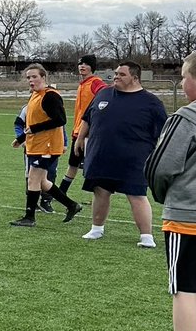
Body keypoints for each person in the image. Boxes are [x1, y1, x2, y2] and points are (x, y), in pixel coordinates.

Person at [145, 50, 196, 331]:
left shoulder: (188, 116)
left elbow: (160, 167)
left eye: (184, 76)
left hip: (190, 219)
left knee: (186, 290)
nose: (181, 83)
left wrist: (165, 195)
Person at [75, 59, 167, 246]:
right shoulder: (104, 94)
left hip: (133, 159)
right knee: (100, 191)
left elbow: (163, 132)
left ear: (135, 77)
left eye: (121, 74)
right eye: (116, 73)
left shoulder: (151, 102)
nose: (116, 77)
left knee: (136, 195)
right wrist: (79, 138)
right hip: (102, 154)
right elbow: (87, 117)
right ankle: (96, 229)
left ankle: (146, 237)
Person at [9, 64, 83, 227]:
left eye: (34, 76)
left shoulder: (50, 96)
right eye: (28, 77)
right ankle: (72, 205)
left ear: (43, 77)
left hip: (47, 147)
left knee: (33, 180)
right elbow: (31, 123)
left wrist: (34, 130)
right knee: (42, 182)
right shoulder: (35, 96)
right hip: (36, 145)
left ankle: (29, 217)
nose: (30, 80)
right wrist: (21, 138)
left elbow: (60, 120)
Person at [55, 55, 107, 199]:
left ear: (92, 67)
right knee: (73, 164)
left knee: (92, 167)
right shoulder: (82, 84)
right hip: (78, 132)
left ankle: (98, 197)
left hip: (90, 133)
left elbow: (106, 94)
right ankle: (61, 194)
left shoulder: (96, 82)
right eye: (80, 64)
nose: (82, 66)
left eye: (86, 64)